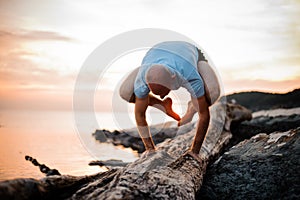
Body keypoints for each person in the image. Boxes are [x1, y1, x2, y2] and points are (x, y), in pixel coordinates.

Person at [119, 41, 220, 159]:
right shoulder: (142, 78)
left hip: (191, 54)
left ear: (173, 79)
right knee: (126, 93)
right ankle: (163, 105)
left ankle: (192, 107)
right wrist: (150, 149)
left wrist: (194, 151)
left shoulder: (189, 74)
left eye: (162, 93)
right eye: (157, 94)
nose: (161, 96)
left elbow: (204, 115)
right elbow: (139, 114)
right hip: (155, 56)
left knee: (212, 94)